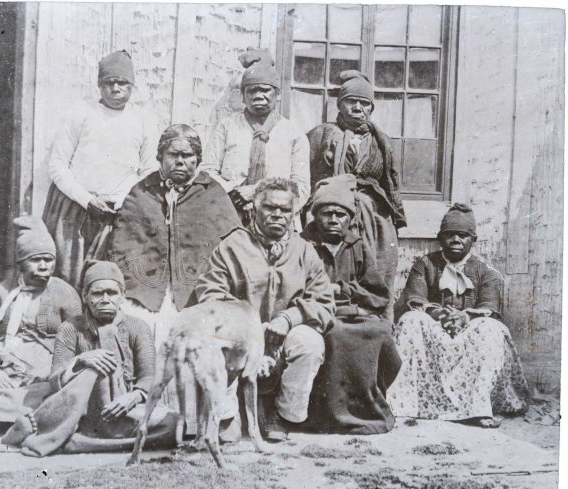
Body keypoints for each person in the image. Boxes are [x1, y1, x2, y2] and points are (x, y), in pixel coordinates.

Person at [196, 178, 335, 442]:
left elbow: (324, 301)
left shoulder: (304, 251)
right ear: (254, 209)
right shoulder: (231, 246)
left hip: (281, 335)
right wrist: (245, 324)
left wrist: (289, 318)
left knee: (310, 343)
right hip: (241, 335)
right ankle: (228, 416)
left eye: (285, 210)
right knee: (218, 341)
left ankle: (282, 414)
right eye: (270, 208)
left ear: (293, 214)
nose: (277, 215)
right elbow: (209, 293)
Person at [0, 261, 178, 456]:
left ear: (122, 296)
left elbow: (149, 377)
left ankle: (76, 442)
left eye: (112, 293)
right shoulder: (70, 328)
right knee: (96, 365)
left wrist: (130, 398)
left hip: (125, 409)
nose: (104, 299)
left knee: (173, 425)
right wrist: (82, 360)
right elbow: (55, 378)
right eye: (97, 293)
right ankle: (79, 436)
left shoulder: (138, 327)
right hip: (82, 410)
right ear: (85, 296)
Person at [387, 204, 529, 428]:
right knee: (411, 320)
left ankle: (479, 408)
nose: (456, 240)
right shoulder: (424, 265)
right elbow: (415, 297)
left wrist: (465, 317)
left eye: (462, 236)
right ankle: (405, 406)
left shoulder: (487, 272)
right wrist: (436, 313)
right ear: (439, 238)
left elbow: (490, 306)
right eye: (449, 235)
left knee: (492, 329)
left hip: (468, 336)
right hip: (434, 334)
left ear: (473, 239)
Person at [0, 216, 82, 444]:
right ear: (21, 262)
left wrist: (56, 370)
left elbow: (78, 341)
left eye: (48, 260)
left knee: (53, 395)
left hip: (48, 370)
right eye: (36, 260)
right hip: (5, 369)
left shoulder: (65, 293)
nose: (43, 266)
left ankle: (11, 427)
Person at [107, 124, 240, 346]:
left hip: (198, 291)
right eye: (173, 154)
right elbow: (121, 247)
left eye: (187, 155)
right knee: (138, 331)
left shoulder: (213, 193)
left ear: (198, 159)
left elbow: (233, 247)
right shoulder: (141, 192)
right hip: (146, 291)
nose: (180, 161)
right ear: (160, 157)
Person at [42, 50, 157, 289]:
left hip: (119, 213)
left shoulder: (143, 120)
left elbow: (148, 171)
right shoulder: (80, 113)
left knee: (107, 283)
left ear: (132, 85)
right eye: (109, 82)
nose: (115, 88)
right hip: (75, 211)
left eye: (122, 82)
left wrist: (124, 201)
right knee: (68, 280)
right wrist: (86, 200)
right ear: (99, 85)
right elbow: (57, 164)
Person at [301, 180, 402, 434]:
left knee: (379, 332)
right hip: (316, 314)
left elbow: (378, 294)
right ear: (316, 216)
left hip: (353, 313)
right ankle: (330, 415)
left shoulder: (357, 245)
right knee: (337, 335)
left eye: (340, 214)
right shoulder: (304, 245)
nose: (334, 220)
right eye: (327, 213)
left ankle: (366, 409)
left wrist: (345, 290)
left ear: (349, 218)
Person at [307, 71, 407, 319]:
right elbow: (305, 176)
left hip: (372, 217)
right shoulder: (321, 135)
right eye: (351, 101)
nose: (357, 108)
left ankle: (377, 324)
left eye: (364, 103)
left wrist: (392, 215)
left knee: (374, 268)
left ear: (371, 108)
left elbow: (391, 182)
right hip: (331, 212)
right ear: (340, 104)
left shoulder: (380, 140)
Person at [200, 48, 310, 224]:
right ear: (243, 96)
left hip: (278, 220)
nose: (259, 96)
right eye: (252, 91)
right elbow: (208, 171)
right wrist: (235, 193)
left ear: (278, 94)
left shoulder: (293, 134)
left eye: (265, 90)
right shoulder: (227, 126)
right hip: (231, 214)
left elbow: (302, 188)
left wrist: (260, 194)